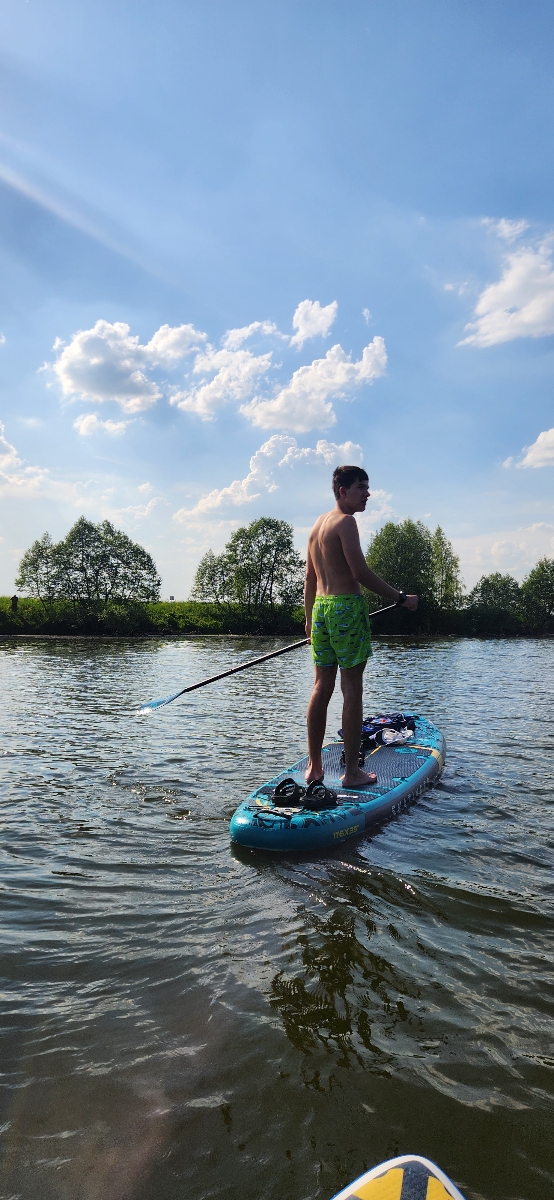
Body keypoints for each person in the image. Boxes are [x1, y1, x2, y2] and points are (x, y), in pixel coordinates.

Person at [304, 465, 417, 789]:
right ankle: (352, 773)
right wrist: (400, 597)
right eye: (362, 488)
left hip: (323, 610)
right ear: (343, 491)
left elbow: (310, 579)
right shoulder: (346, 522)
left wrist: (309, 618)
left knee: (320, 687)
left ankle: (314, 767)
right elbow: (360, 573)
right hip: (345, 609)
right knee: (351, 688)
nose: (368, 493)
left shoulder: (316, 527)